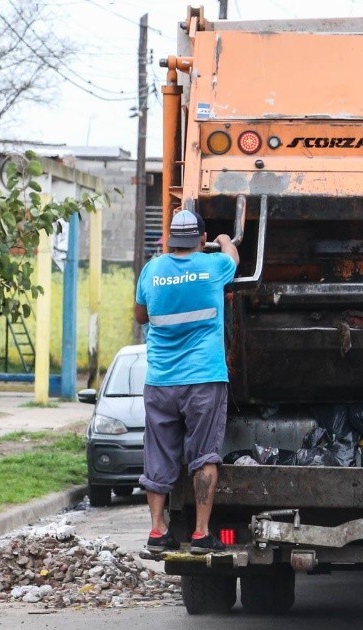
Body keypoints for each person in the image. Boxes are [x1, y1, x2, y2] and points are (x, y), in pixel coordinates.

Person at [135, 208, 239, 554]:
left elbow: (140, 314)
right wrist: (225, 240)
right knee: (204, 456)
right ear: (201, 239)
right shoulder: (213, 266)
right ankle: (200, 534)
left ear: (169, 240)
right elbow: (233, 260)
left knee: (159, 454)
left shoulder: (151, 270)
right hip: (203, 378)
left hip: (161, 380)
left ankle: (156, 532)